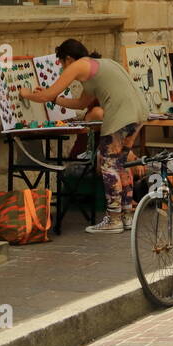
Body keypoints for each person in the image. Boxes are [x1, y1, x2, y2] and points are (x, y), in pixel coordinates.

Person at [20, 39, 147, 234]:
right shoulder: (101, 66)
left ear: (69, 59)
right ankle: (126, 216)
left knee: (108, 164)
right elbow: (80, 103)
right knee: (120, 163)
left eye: (62, 64)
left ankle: (113, 219)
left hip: (121, 115)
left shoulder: (78, 65)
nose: (62, 69)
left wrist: (26, 94)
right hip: (138, 113)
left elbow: (46, 96)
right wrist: (55, 99)